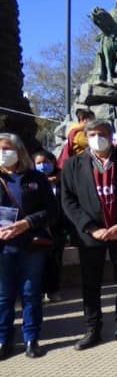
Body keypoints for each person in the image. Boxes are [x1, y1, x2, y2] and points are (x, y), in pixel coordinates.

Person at [61, 119, 117, 350]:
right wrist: (90, 227)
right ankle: (92, 328)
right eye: (92, 134)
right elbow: (68, 201)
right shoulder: (72, 165)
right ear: (86, 137)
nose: (97, 138)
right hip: (91, 235)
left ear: (111, 137)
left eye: (102, 134)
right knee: (91, 283)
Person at [0, 134, 57, 359]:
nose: (3, 153)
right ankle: (4, 339)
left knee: (30, 293)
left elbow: (52, 211)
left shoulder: (35, 178)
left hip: (31, 244)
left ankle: (31, 338)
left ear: (19, 150)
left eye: (7, 148)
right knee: (3, 296)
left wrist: (27, 223)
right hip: (3, 247)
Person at [31, 150, 66, 303]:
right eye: (38, 163)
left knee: (55, 260)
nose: (42, 166)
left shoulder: (63, 180)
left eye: (46, 162)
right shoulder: (31, 181)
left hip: (58, 227)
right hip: (37, 227)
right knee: (37, 261)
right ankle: (38, 290)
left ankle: (53, 290)